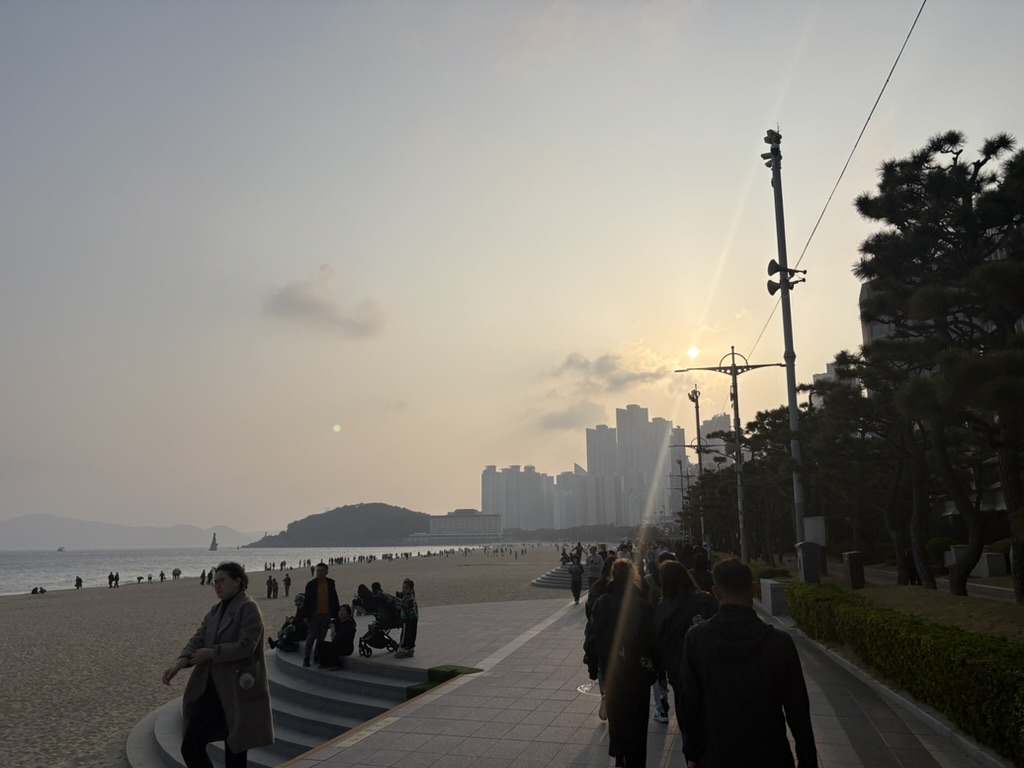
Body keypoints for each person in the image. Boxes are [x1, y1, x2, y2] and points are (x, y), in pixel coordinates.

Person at [681, 558, 817, 768]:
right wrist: (807, 761)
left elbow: (690, 703)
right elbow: (798, 709)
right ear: (753, 589)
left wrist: (693, 753)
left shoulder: (697, 639)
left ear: (716, 592)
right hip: (771, 755)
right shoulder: (779, 643)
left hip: (718, 753)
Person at [162, 561, 273, 768]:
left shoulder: (248, 608)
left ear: (238, 581)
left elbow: (247, 646)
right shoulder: (215, 611)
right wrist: (179, 663)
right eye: (215, 582)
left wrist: (212, 653)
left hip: (237, 692)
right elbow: (199, 638)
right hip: (211, 689)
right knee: (191, 746)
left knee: (235, 753)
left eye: (222, 581)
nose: (217, 586)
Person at [584, 559, 659, 768]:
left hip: (612, 671)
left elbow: (591, 637)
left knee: (617, 719)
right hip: (638, 674)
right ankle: (635, 761)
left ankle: (620, 758)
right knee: (637, 720)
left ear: (612, 576)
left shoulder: (602, 603)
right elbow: (654, 640)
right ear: (632, 576)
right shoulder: (642, 605)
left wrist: (592, 666)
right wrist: (658, 672)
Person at [653, 560, 718, 734]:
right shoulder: (706, 600)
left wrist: (660, 675)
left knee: (687, 715)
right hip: (711, 668)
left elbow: (657, 644)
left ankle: (693, 757)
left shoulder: (663, 608)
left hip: (678, 670)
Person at [300, 562, 341, 668]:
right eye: (318, 570)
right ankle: (306, 658)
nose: (319, 573)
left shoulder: (331, 583)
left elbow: (334, 598)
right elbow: (307, 601)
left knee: (321, 638)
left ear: (326, 572)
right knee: (310, 637)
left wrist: (336, 614)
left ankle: (317, 656)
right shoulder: (310, 584)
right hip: (314, 615)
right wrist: (305, 615)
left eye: (322, 571)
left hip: (326, 615)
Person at [319, 604, 357, 670]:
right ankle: (324, 663)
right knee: (322, 644)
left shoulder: (350, 625)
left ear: (348, 614)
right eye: (340, 610)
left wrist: (337, 635)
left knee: (333, 646)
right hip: (337, 644)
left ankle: (336, 664)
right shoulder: (337, 621)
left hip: (346, 647)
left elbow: (348, 639)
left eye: (344, 610)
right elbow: (326, 625)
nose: (341, 612)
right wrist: (330, 624)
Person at [394, 578, 419, 658]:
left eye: (406, 588)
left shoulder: (407, 598)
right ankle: (410, 649)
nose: (404, 589)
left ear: (411, 589)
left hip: (408, 619)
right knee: (412, 633)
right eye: (403, 587)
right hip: (413, 618)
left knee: (405, 633)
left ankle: (402, 649)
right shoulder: (411, 597)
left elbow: (403, 607)